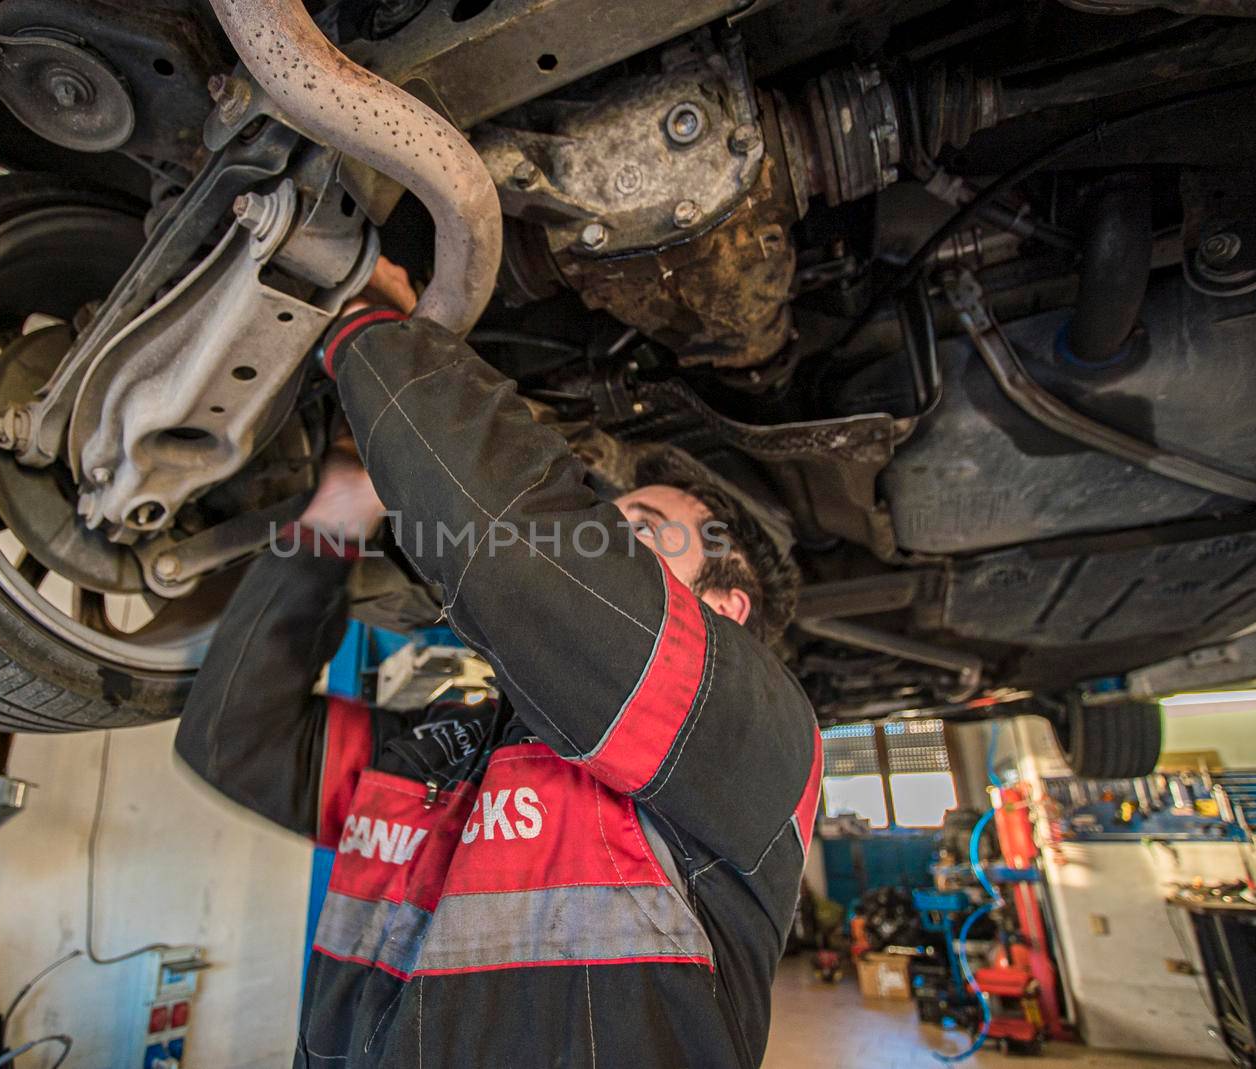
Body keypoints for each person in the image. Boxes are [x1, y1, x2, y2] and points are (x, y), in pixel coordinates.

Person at [175, 259, 822, 1068]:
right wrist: (337, 509)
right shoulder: (444, 756)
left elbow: (526, 562)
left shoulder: (753, 734)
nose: (601, 542)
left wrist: (373, 332)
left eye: (640, 532)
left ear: (723, 611)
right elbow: (235, 738)